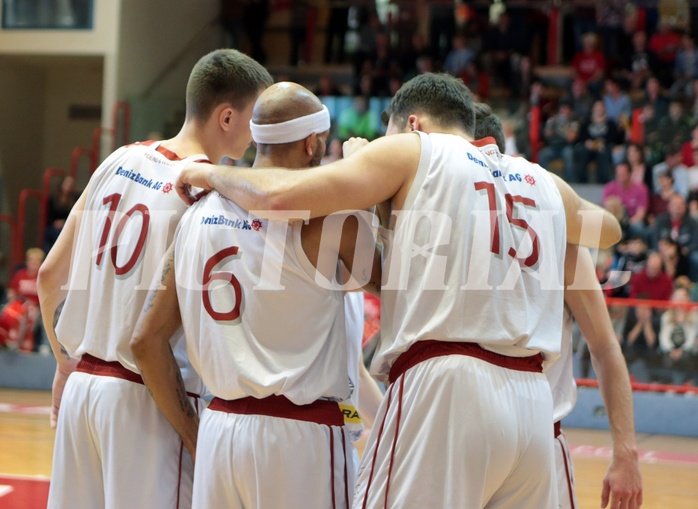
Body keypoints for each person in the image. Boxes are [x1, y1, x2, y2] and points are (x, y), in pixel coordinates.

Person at [176, 73, 622, 508]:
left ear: (412, 124)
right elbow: (609, 231)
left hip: (448, 383)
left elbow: (279, 197)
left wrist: (214, 175)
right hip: (532, 406)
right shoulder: (542, 182)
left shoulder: (412, 150)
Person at [36, 49, 272, 509]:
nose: (258, 132)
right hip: (150, 401)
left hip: (82, 389)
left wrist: (64, 364)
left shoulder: (117, 159)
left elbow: (49, 276)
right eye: (255, 118)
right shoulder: (209, 191)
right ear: (227, 116)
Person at [131, 82, 382, 509]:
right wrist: (364, 178)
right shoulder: (330, 220)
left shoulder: (196, 213)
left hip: (220, 430)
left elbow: (145, 340)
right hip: (302, 437)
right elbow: (393, 280)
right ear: (312, 142)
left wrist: (196, 437)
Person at [477, 109, 643, 509]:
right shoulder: (450, 220)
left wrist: (627, 452)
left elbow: (604, 347)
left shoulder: (558, 229)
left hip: (537, 434)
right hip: (470, 428)